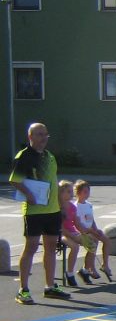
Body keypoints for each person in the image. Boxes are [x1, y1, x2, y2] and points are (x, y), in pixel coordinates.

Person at [9, 122, 71, 304]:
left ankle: (50, 287)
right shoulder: (24, 156)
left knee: (51, 248)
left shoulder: (49, 156)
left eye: (45, 134)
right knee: (31, 247)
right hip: (34, 211)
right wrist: (29, 194)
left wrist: (62, 206)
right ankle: (23, 290)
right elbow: (14, 180)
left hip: (52, 210)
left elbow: (54, 181)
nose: (43, 138)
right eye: (39, 134)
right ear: (30, 136)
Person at [73, 179, 112, 282]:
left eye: (88, 191)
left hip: (91, 230)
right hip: (82, 231)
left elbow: (91, 220)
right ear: (78, 193)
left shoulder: (89, 205)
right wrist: (89, 231)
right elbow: (78, 224)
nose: (87, 194)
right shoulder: (76, 206)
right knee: (94, 242)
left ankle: (105, 265)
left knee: (106, 240)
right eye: (84, 192)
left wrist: (96, 229)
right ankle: (91, 268)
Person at [57, 180, 83, 287]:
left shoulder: (72, 207)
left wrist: (84, 232)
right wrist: (72, 235)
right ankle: (70, 273)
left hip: (72, 232)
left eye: (71, 191)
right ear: (61, 193)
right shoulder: (57, 207)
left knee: (92, 242)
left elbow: (77, 223)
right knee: (75, 247)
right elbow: (60, 228)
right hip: (61, 234)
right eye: (68, 191)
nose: (71, 194)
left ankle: (86, 269)